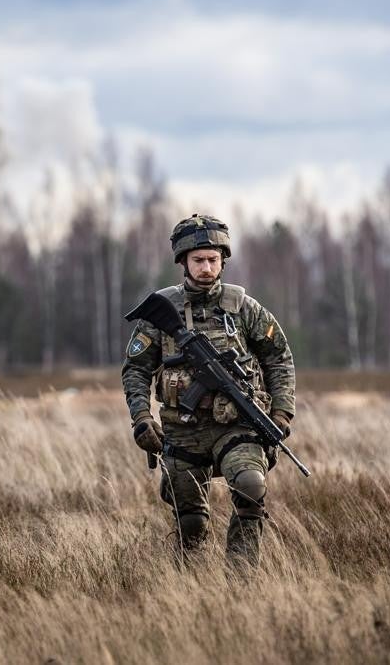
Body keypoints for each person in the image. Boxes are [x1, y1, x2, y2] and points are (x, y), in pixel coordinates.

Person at [121, 214, 296, 567]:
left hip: (237, 426)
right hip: (182, 432)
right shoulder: (162, 312)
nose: (206, 268)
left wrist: (281, 412)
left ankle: (241, 581)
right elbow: (136, 369)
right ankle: (194, 590)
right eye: (198, 260)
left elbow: (279, 358)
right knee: (192, 523)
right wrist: (141, 419)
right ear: (183, 261)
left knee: (250, 486)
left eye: (213, 260)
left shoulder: (244, 308)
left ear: (223, 261)